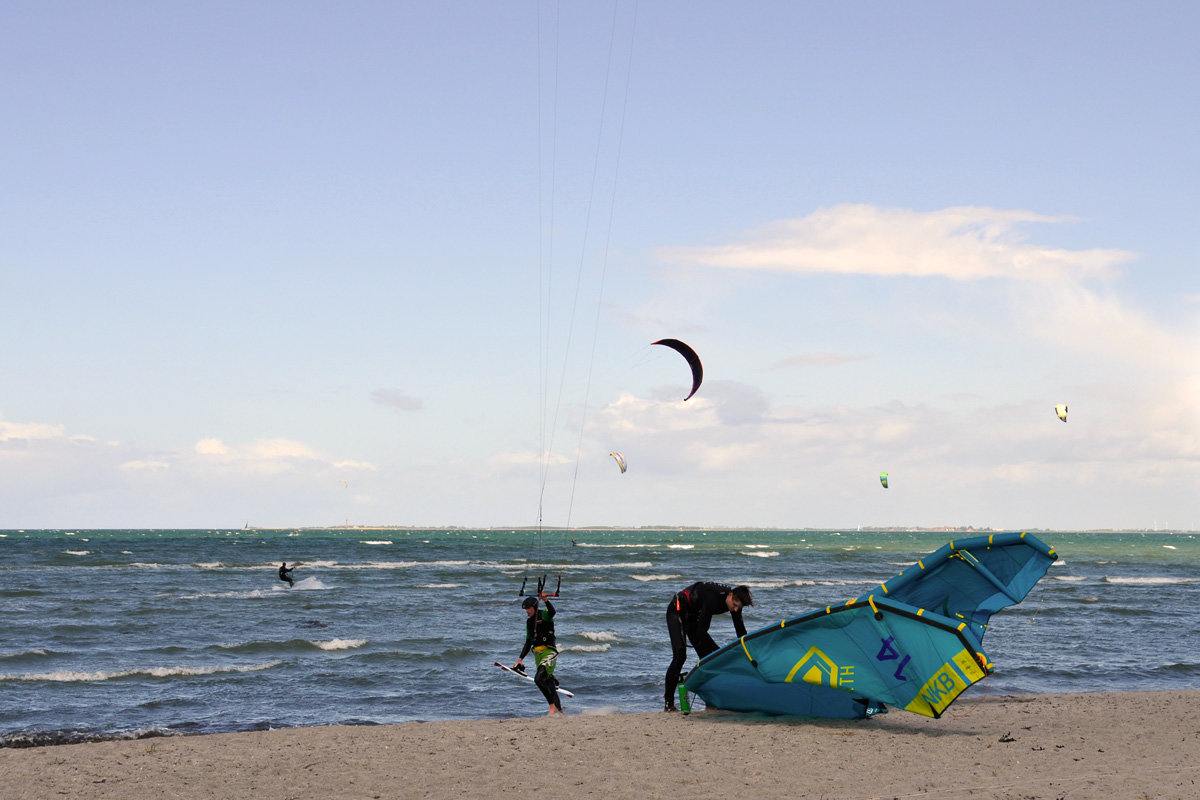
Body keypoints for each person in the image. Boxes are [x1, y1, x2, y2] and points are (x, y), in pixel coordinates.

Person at [663, 582, 753, 711]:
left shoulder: (734, 604)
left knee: (713, 659)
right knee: (680, 655)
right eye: (735, 605)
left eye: (739, 607)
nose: (736, 610)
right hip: (677, 610)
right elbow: (701, 632)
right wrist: (718, 654)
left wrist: (748, 653)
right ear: (731, 595)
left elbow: (740, 632)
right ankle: (668, 704)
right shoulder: (713, 598)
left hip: (692, 615)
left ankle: (711, 701)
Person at [513, 591, 562, 716]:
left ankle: (552, 707)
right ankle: (560, 713)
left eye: (528, 608)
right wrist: (520, 659)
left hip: (549, 652)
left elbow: (552, 612)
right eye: (525, 609)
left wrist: (546, 600)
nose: (527, 611)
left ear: (534, 607)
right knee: (549, 684)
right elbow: (528, 641)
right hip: (538, 655)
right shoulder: (529, 622)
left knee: (538, 679)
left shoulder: (544, 615)